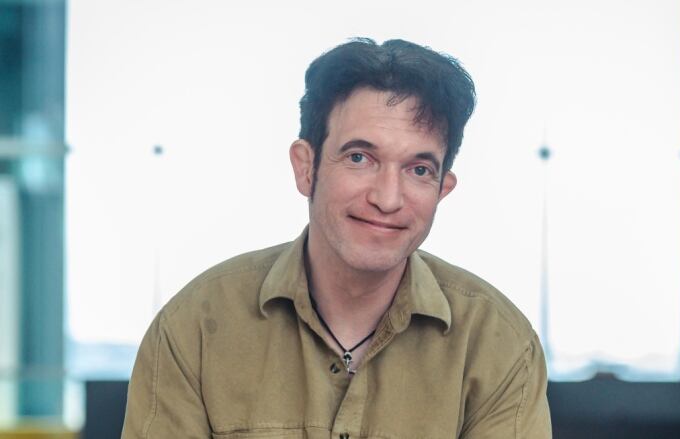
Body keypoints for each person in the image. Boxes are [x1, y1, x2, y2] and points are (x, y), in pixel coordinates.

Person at [121, 38, 551, 439]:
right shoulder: (193, 328)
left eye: (418, 169)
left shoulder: (499, 345)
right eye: (360, 158)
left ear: (443, 188)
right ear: (306, 168)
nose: (387, 198)